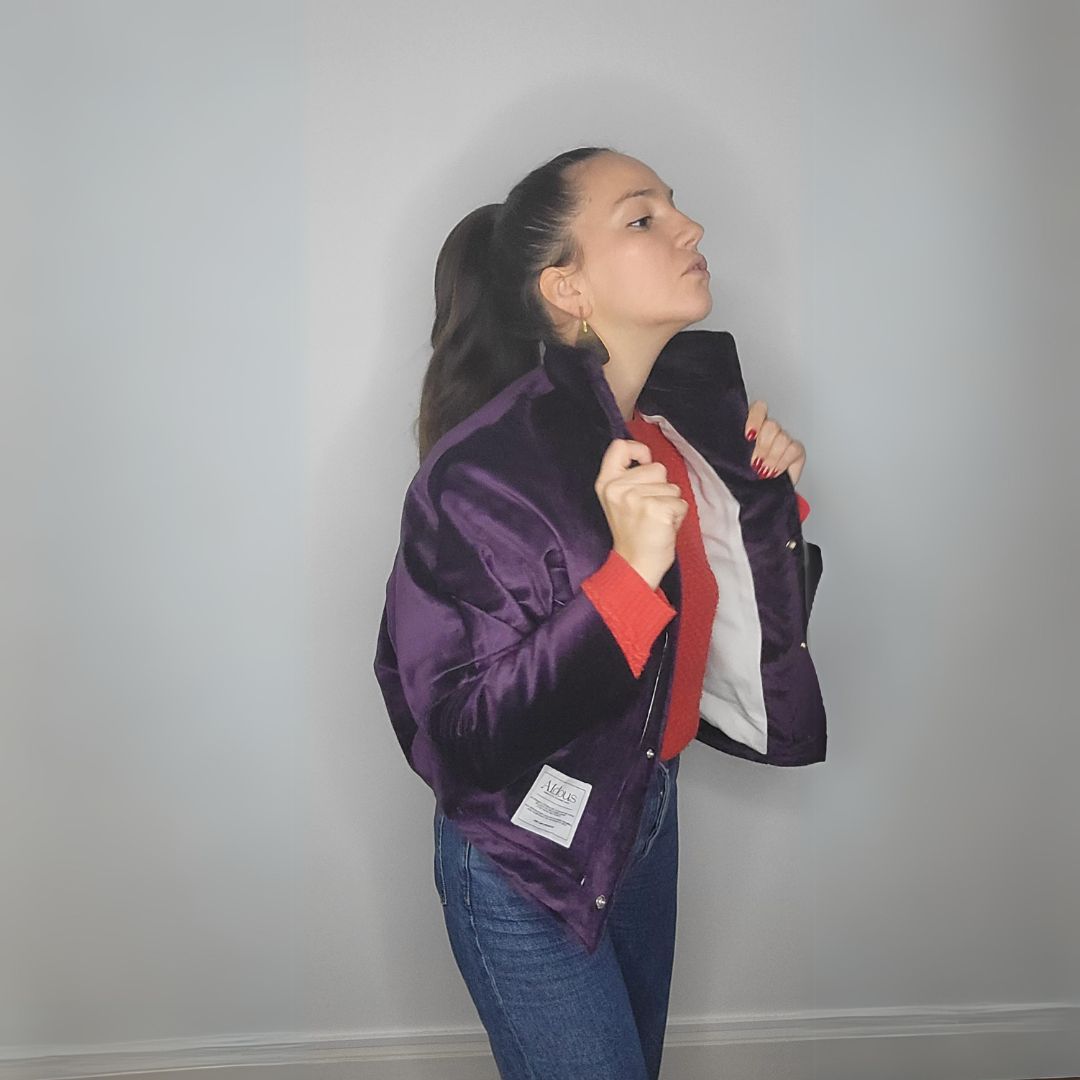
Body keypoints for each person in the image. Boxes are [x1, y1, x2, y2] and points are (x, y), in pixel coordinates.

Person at [373, 146, 825, 1080]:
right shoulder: (482, 473)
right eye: (642, 217)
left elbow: (717, 637)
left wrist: (764, 505)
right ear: (567, 289)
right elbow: (466, 736)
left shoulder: (669, 435)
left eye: (674, 206)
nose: (690, 228)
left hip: (643, 811)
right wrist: (629, 573)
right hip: (524, 858)